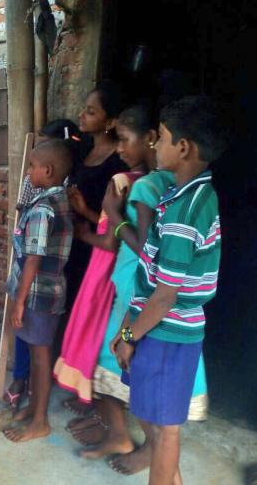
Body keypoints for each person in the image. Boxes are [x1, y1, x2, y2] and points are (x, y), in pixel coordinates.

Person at [68, 106, 208, 476]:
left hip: (150, 307)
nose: (119, 149)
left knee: (153, 409)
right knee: (156, 409)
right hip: (157, 308)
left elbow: (150, 256)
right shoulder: (189, 192)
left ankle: (146, 448)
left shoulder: (150, 188)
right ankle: (135, 443)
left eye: (124, 140)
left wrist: (113, 216)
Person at [111, 96, 228, 485]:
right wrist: (128, 326)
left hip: (167, 333)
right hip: (158, 328)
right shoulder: (185, 196)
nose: (154, 145)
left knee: (164, 431)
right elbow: (151, 276)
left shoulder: (184, 212)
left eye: (160, 137)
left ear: (183, 147)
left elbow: (165, 295)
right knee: (156, 421)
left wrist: (131, 335)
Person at [54, 109, 146, 408]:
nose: (120, 149)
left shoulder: (123, 181)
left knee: (98, 333)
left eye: (124, 140)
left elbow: (110, 239)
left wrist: (84, 232)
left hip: (108, 269)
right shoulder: (146, 181)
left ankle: (99, 408)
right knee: (101, 331)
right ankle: (95, 405)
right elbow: (115, 229)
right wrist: (87, 213)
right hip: (118, 270)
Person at [5, 119, 81, 409]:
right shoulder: (61, 201)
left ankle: (39, 419)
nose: (28, 172)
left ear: (47, 171)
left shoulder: (42, 209)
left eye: (31, 166)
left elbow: (33, 258)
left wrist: (19, 302)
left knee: (40, 358)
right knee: (40, 356)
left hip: (37, 295)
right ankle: (35, 412)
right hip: (49, 292)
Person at [63, 82, 128, 416]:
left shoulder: (120, 163)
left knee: (94, 319)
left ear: (110, 121)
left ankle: (92, 393)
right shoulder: (83, 151)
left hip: (99, 251)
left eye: (91, 111)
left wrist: (85, 212)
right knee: (75, 312)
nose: (82, 115)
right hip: (76, 243)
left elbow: (116, 220)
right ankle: (76, 380)